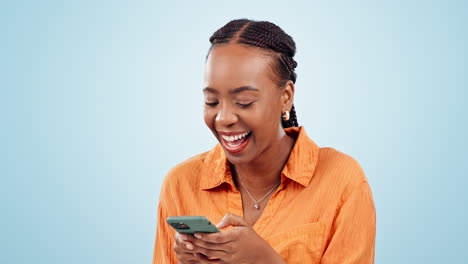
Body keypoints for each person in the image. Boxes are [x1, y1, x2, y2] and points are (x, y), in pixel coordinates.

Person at [152, 19, 376, 264]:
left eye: (244, 101)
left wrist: (264, 260)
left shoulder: (342, 180)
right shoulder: (180, 184)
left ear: (286, 97)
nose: (224, 118)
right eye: (212, 102)